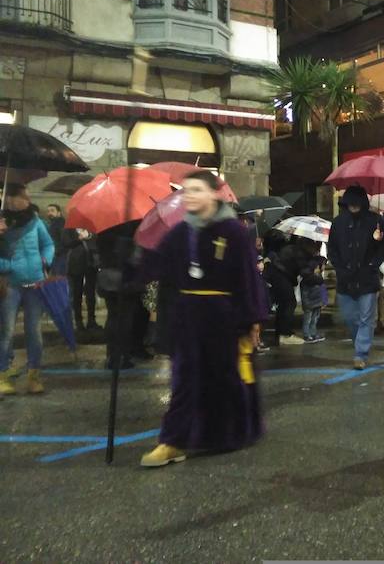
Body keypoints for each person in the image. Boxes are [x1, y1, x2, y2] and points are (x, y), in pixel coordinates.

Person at [138, 170, 268, 468]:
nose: (190, 196)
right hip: (188, 318)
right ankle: (173, 441)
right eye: (186, 191)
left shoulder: (233, 231)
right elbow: (157, 264)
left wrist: (252, 320)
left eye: (196, 189)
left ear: (213, 194)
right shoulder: (179, 233)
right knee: (184, 380)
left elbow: (247, 277)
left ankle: (231, 432)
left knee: (226, 379)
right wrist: (128, 268)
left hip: (224, 317)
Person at [0, 184, 54, 395]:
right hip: (11, 285)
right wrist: (7, 266)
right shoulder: (2, 223)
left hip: (36, 283)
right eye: (17, 196)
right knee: (6, 332)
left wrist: (45, 261)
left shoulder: (35, 221)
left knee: (34, 331)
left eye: (24, 196)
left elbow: (48, 244)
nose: (23, 200)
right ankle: (3, 373)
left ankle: (34, 374)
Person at [328, 186, 384, 370]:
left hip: (367, 277)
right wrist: (339, 267)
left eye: (356, 203)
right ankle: (359, 346)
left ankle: (360, 353)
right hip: (345, 278)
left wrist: (374, 262)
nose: (353, 207)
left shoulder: (376, 221)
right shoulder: (338, 223)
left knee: (366, 318)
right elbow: (332, 248)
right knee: (350, 318)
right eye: (350, 204)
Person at [96, 220, 151, 368]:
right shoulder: (131, 226)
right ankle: (122, 357)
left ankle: (112, 355)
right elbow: (135, 256)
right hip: (125, 278)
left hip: (107, 276)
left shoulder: (103, 227)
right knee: (126, 319)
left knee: (113, 316)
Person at [263, 229, 307, 346]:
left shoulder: (284, 247)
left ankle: (281, 333)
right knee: (289, 303)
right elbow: (303, 269)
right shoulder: (295, 250)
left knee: (284, 305)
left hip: (278, 276)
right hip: (282, 277)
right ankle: (284, 334)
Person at [62, 227, 100, 331]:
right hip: (76, 263)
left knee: (91, 293)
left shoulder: (90, 226)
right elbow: (65, 242)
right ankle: (79, 322)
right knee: (77, 293)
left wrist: (89, 236)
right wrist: (79, 239)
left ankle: (91, 320)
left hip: (91, 263)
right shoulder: (69, 227)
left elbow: (97, 238)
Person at [297, 237, 327, 343]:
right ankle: (307, 334)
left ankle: (312, 333)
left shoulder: (315, 261)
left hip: (315, 291)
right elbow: (307, 275)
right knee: (310, 314)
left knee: (314, 315)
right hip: (310, 291)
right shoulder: (307, 263)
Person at [44, 203, 66, 275]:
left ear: (59, 213)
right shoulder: (53, 224)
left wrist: (56, 251)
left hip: (60, 256)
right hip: (56, 255)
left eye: (52, 211)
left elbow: (63, 239)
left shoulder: (60, 223)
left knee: (58, 277)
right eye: (48, 211)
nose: (50, 213)